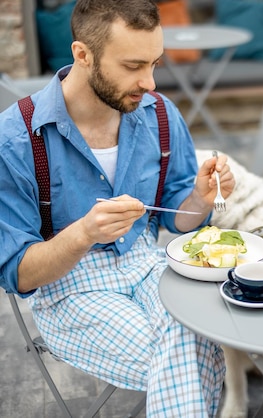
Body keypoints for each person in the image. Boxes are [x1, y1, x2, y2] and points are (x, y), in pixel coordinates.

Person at [0, 0, 234, 416]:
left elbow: (179, 225)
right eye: (132, 66)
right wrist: (83, 233)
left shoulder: (161, 115)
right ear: (82, 55)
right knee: (199, 349)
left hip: (149, 264)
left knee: (198, 332)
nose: (150, 83)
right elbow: (18, 274)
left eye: (155, 64)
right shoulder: (15, 139)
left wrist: (199, 198)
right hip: (69, 288)